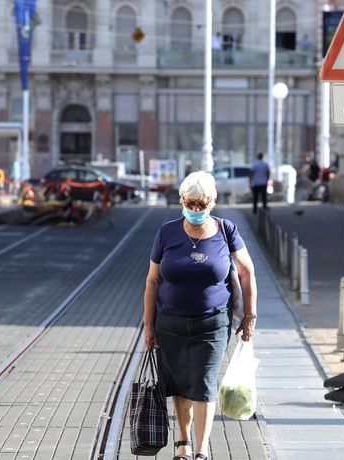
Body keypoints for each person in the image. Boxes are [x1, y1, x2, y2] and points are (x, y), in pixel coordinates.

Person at [144, 171, 258, 460]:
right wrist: (149, 325)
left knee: (204, 383)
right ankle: (182, 444)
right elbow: (152, 280)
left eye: (202, 204)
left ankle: (201, 449)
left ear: (213, 201)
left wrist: (250, 315)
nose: (196, 210)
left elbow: (246, 271)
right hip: (170, 323)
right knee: (181, 385)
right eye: (190, 203)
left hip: (213, 322)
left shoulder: (226, 230)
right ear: (181, 200)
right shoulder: (167, 232)